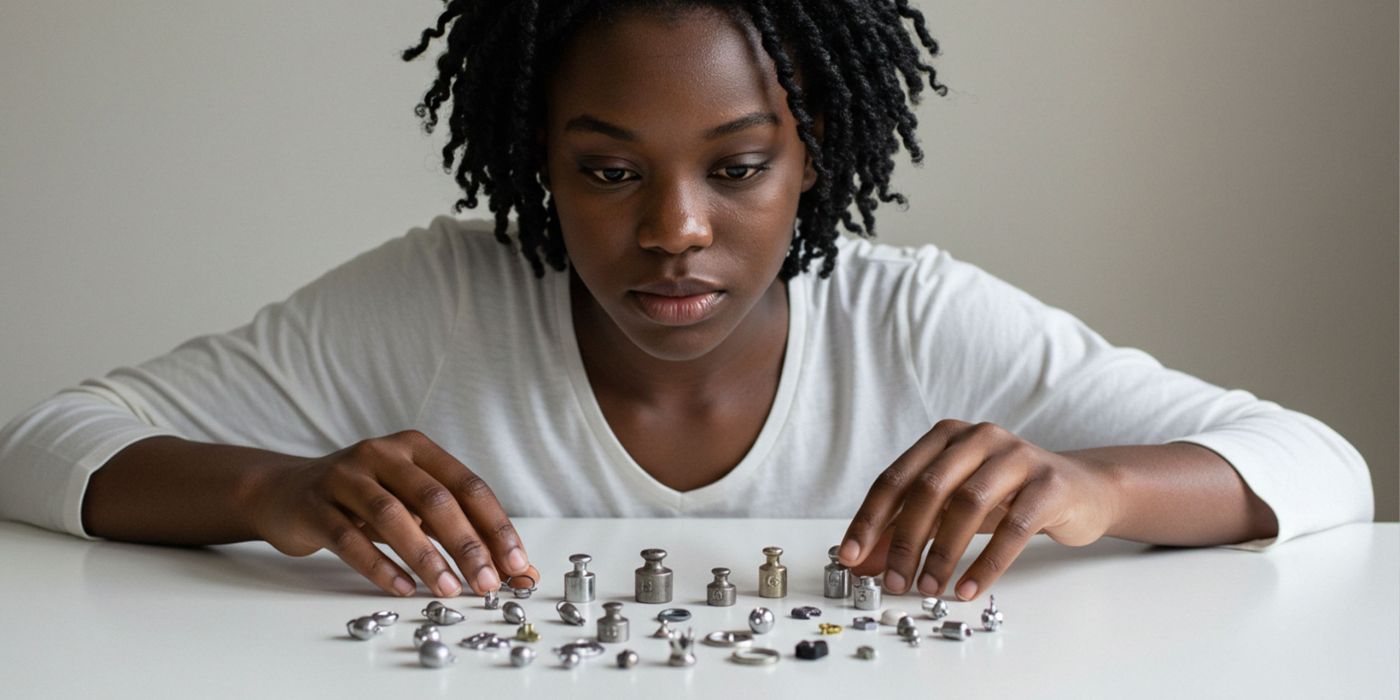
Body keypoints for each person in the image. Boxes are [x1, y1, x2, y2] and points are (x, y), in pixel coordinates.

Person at [0, 1, 1373, 604]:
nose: (674, 231)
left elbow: (1323, 465)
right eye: (608, 171)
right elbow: (41, 442)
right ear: (533, 161)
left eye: (737, 166)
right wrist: (272, 491)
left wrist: (1096, 485)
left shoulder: (910, 319)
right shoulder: (439, 301)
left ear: (815, 156)